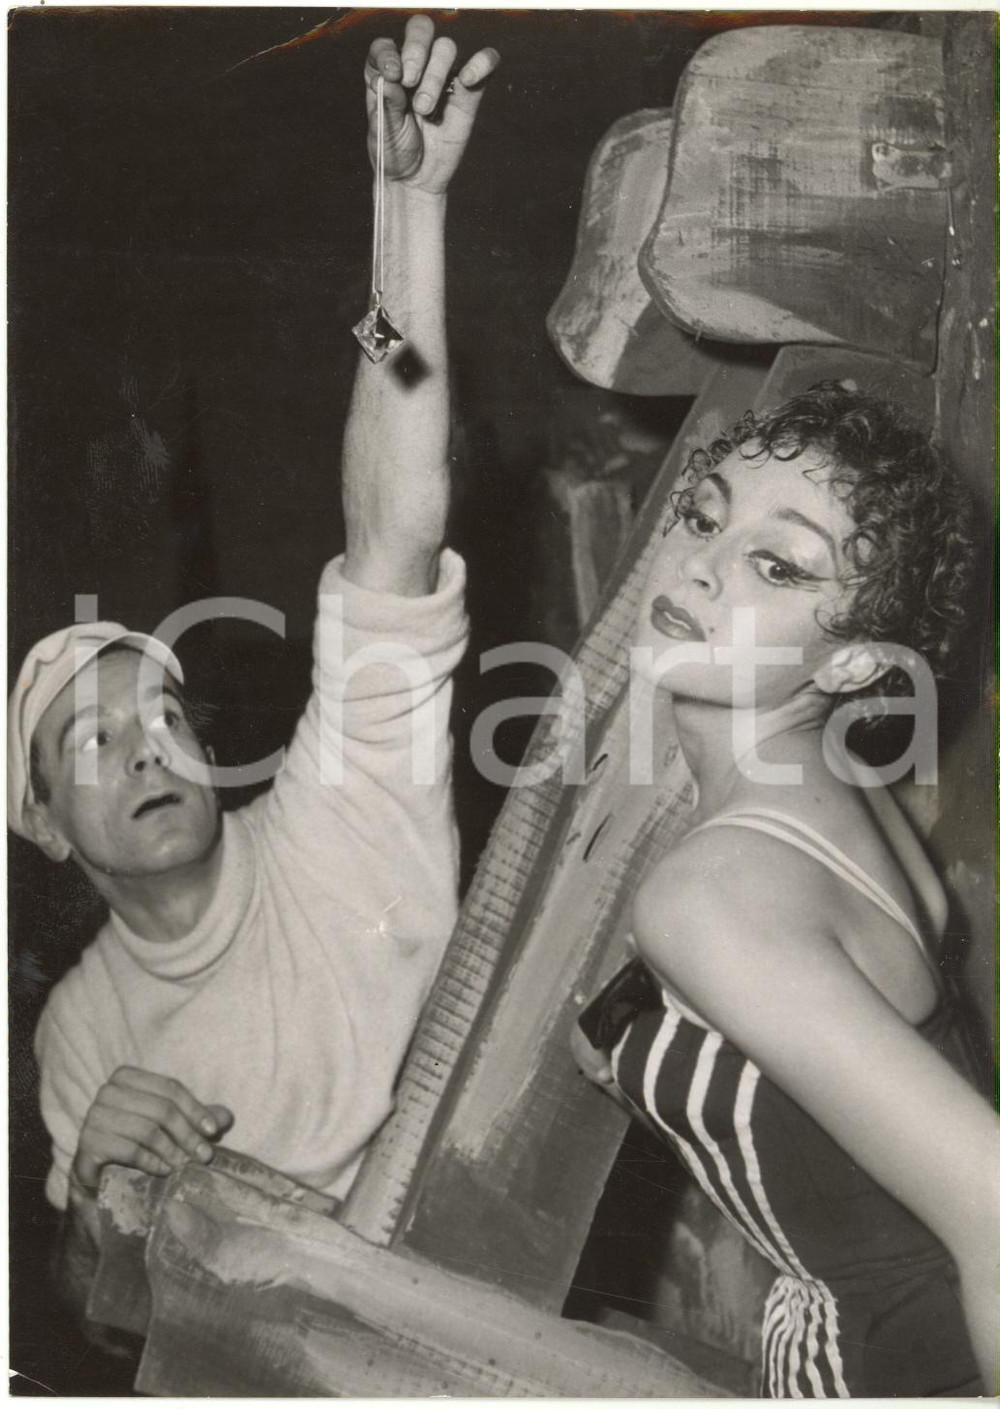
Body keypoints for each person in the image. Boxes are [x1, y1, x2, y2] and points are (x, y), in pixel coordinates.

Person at [8, 16, 499, 1319]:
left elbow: (393, 529)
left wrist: (408, 210)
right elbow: (103, 1315)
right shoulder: (81, 1030)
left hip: (479, 1295)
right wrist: (96, 1187)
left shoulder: (343, 810)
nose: (144, 747)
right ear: (44, 826)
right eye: (90, 740)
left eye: (160, 712)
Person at [572, 383, 997, 1397]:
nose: (701, 566)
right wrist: (626, 1033)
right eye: (703, 516)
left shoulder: (707, 893)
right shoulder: (840, 783)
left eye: (778, 564)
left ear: (852, 662)